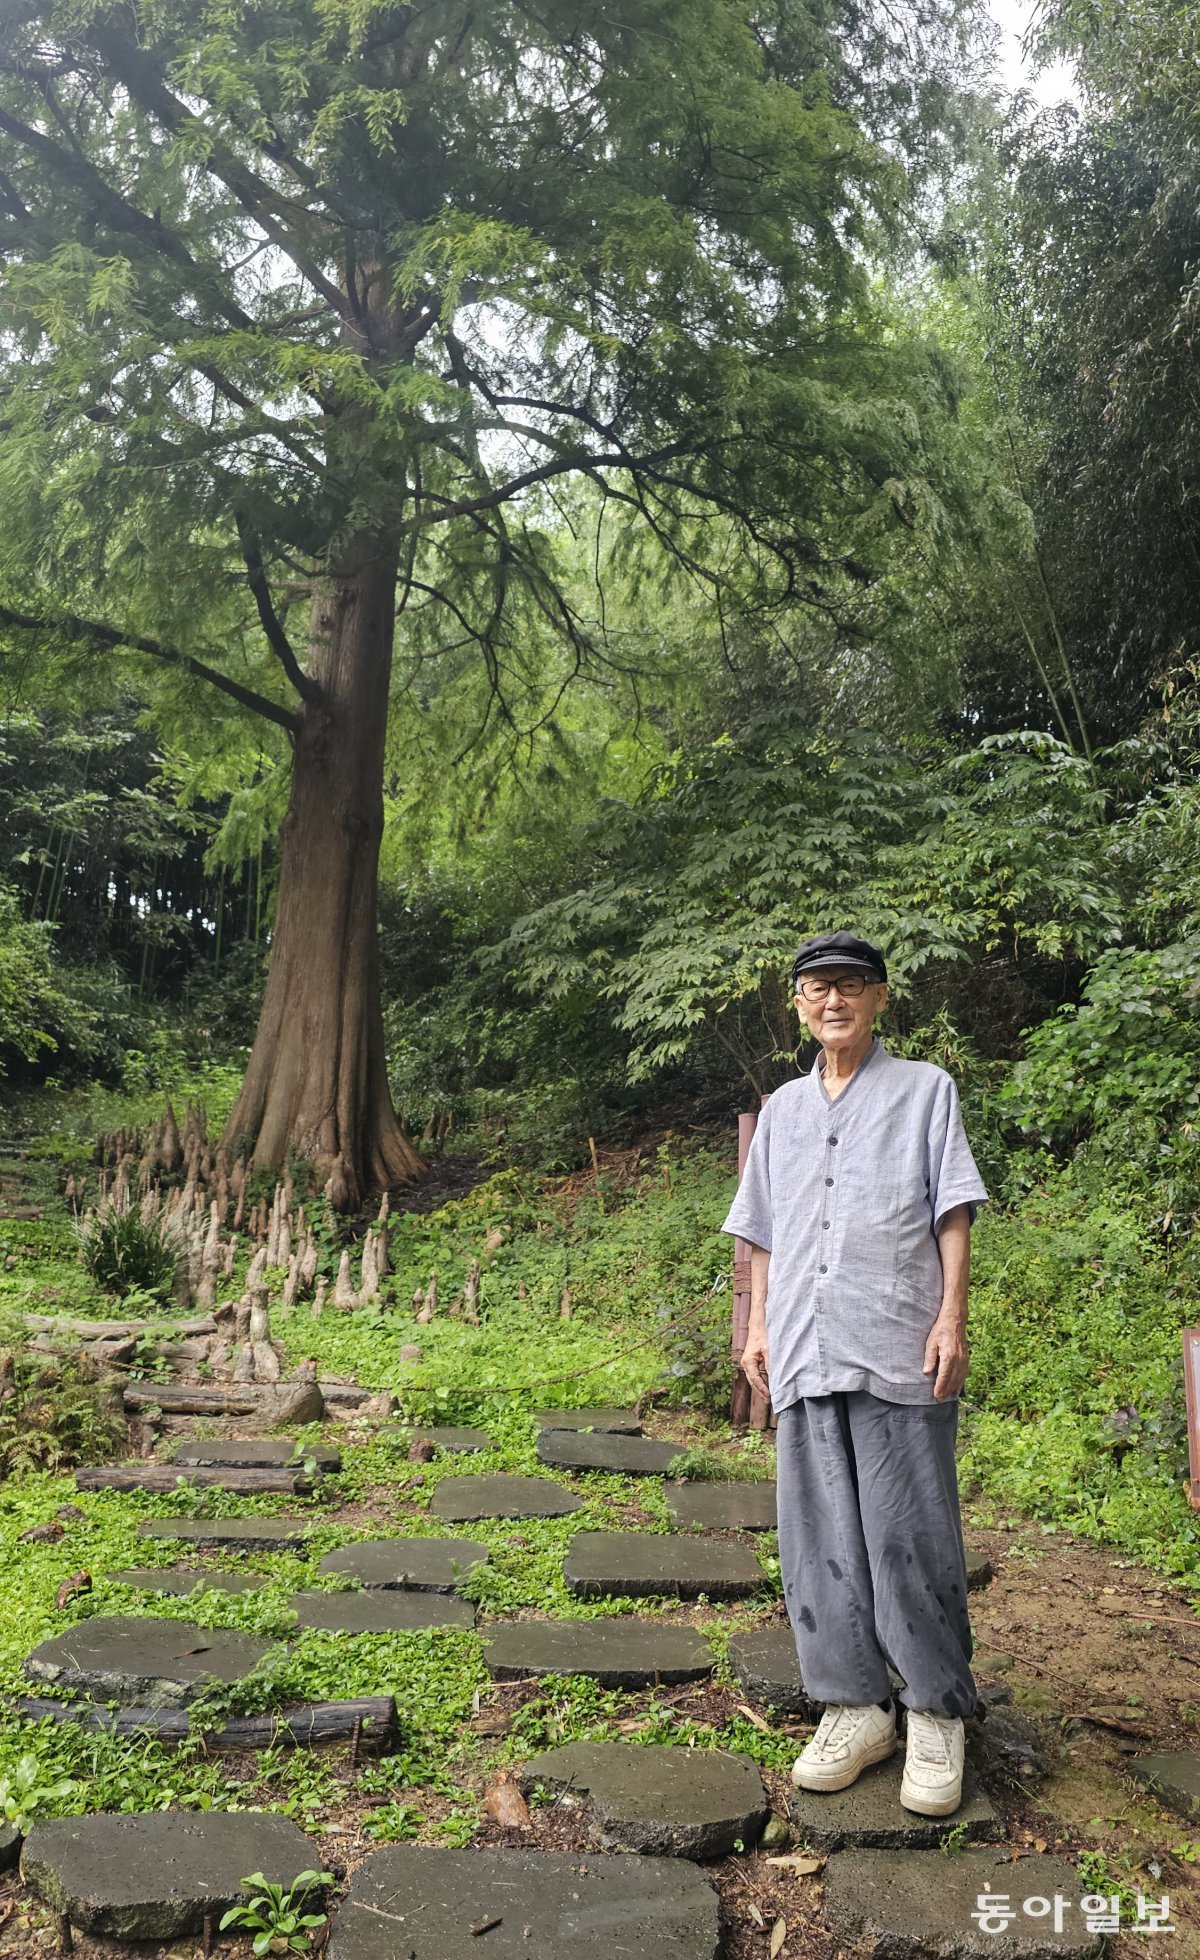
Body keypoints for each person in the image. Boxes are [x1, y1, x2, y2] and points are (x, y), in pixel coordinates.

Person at [720, 929, 988, 1817]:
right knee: (817, 1536)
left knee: (908, 1530)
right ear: (796, 1004)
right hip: (802, 1341)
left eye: (851, 986)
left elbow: (953, 1209)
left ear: (879, 999)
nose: (832, 1000)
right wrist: (756, 1325)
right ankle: (854, 1705)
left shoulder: (924, 1092)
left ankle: (936, 1710)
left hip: (898, 1338)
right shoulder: (785, 1110)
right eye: (816, 988)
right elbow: (757, 1229)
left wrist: (951, 1314)